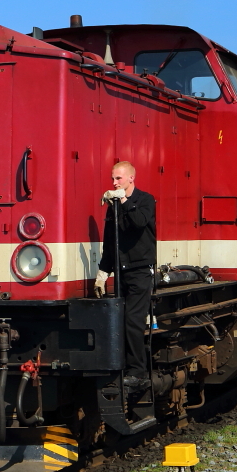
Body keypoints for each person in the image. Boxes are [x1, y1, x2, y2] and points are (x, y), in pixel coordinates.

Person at [94, 161, 156, 391]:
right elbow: (111, 241)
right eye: (112, 179)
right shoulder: (115, 206)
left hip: (140, 271)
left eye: (118, 178)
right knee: (117, 320)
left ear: (131, 178)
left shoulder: (145, 200)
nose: (114, 183)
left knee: (133, 320)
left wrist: (122, 200)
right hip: (121, 271)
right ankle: (119, 367)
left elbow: (139, 223)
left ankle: (138, 373)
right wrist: (103, 272)